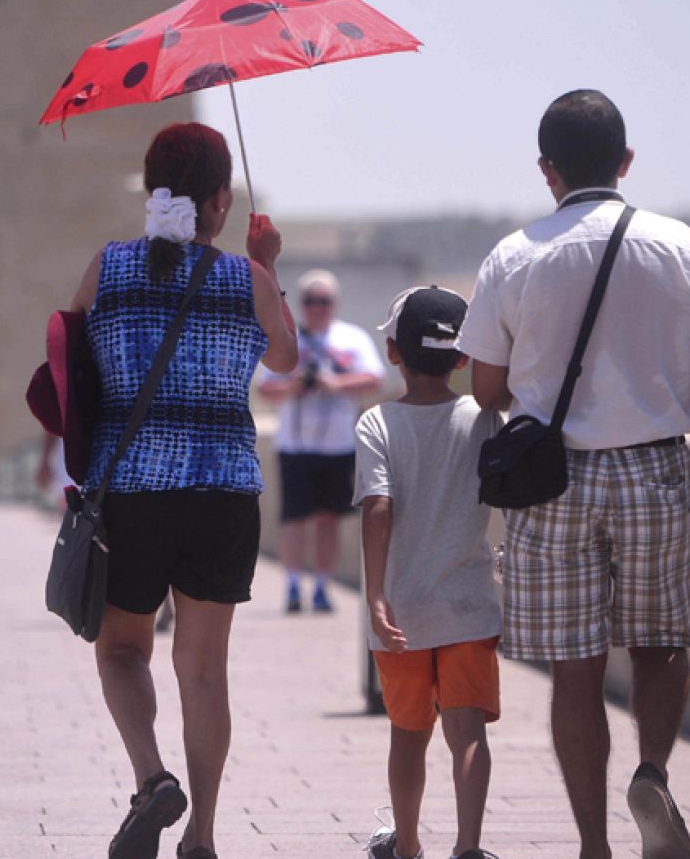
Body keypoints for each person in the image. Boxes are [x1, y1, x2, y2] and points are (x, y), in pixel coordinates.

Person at [456, 90, 690, 859]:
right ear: (626, 162)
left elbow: (484, 389)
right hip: (655, 466)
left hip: (553, 481)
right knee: (661, 644)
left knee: (574, 670)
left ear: (547, 170)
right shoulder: (678, 245)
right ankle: (650, 770)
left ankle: (592, 845)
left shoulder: (515, 255)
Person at [67, 122, 297, 859]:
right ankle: (202, 836)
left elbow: (67, 357)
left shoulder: (109, 268)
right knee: (203, 669)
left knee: (122, 654)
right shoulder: (245, 279)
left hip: (130, 490)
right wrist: (264, 266)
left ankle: (152, 778)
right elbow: (288, 359)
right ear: (221, 201)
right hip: (223, 495)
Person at [357, 286, 504, 859]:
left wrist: (375, 598)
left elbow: (377, 506)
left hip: (403, 610)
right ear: (464, 357)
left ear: (393, 352)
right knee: (468, 734)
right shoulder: (486, 418)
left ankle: (409, 846)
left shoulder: (377, 423)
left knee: (408, 734)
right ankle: (468, 848)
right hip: (468, 603)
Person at [256, 269, 384, 614]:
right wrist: (295, 385)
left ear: (334, 304)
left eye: (324, 301)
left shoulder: (352, 339)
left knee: (329, 518)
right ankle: (294, 585)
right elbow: (265, 386)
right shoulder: (288, 339)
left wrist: (335, 383)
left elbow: (375, 378)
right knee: (294, 519)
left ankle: (323, 587)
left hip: (338, 444)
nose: (317, 308)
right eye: (310, 301)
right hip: (295, 444)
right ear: (301, 304)